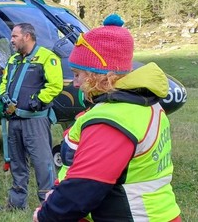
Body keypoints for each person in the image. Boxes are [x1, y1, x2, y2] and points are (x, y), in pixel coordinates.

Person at [34, 14, 181, 221]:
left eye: (78, 74)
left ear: (99, 75)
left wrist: (46, 215)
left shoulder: (111, 121)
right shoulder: (145, 104)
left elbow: (83, 189)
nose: (75, 83)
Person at [0, 23, 62, 210]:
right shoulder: (13, 60)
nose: (11, 40)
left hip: (35, 121)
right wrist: (4, 96)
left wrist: (39, 100)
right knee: (17, 162)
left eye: (14, 36)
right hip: (14, 120)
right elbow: (4, 81)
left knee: (42, 162)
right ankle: (17, 203)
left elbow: (55, 85)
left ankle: (48, 205)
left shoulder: (47, 57)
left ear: (27, 36)